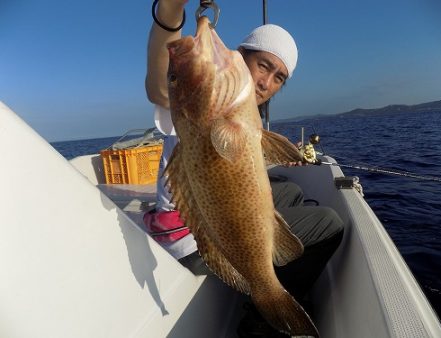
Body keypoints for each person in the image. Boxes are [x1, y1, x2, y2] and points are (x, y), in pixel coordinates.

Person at [145, 0, 344, 336]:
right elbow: (160, 85)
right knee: (330, 222)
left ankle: (272, 283)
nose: (266, 82)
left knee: (292, 190)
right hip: (191, 240)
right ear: (242, 54)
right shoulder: (191, 105)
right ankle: (262, 311)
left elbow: (236, 164)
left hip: (210, 219)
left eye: (278, 77)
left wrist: (277, 149)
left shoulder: (233, 110)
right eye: (263, 65)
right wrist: (169, 10)